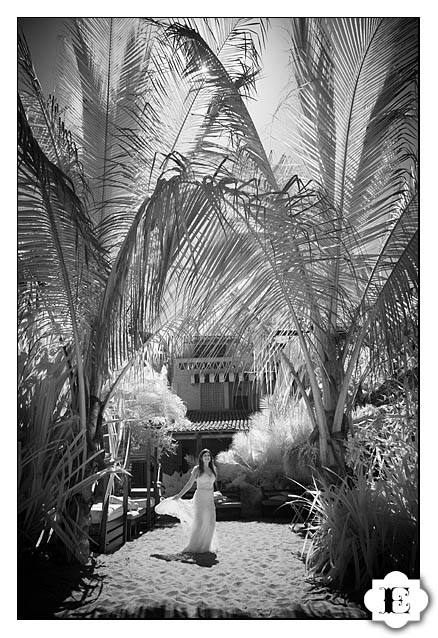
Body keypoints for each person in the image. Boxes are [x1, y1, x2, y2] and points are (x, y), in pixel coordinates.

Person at [155, 449, 218, 553]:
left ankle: (206, 546)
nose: (207, 457)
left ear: (210, 457)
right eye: (205, 455)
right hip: (200, 498)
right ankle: (196, 546)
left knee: (210, 522)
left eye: (208, 455)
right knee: (200, 521)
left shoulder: (213, 469)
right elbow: (189, 484)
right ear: (201, 458)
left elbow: (213, 485)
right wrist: (179, 496)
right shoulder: (197, 469)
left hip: (210, 499)